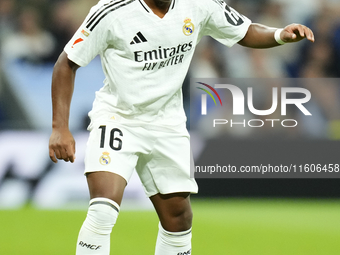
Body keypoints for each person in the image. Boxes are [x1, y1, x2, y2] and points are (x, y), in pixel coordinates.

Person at [48, 0, 314, 254]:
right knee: (103, 208)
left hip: (168, 123)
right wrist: (60, 127)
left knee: (179, 218)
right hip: (119, 118)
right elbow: (66, 62)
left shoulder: (198, 5)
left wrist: (281, 34)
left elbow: (245, 30)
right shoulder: (111, 11)